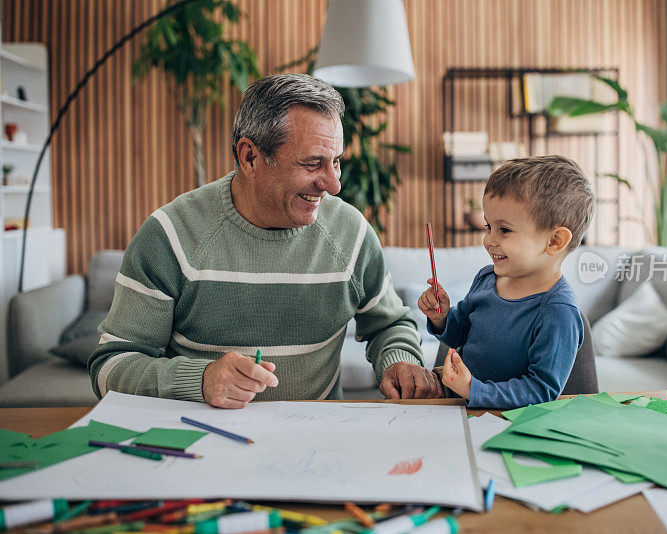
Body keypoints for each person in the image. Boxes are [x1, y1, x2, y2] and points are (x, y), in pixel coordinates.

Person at [89, 73, 441, 408]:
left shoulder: (351, 232)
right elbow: (110, 368)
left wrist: (400, 363)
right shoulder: (169, 235)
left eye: (336, 162)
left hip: (316, 442)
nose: (333, 185)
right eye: (313, 163)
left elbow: (389, 324)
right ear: (250, 157)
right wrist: (200, 380)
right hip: (201, 442)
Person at [418, 156, 595, 409]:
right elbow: (458, 333)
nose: (489, 240)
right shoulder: (486, 278)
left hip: (503, 422)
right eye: (488, 226)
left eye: (504, 230)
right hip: (457, 409)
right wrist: (441, 317)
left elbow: (541, 390)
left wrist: (473, 389)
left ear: (555, 241)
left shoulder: (558, 311)